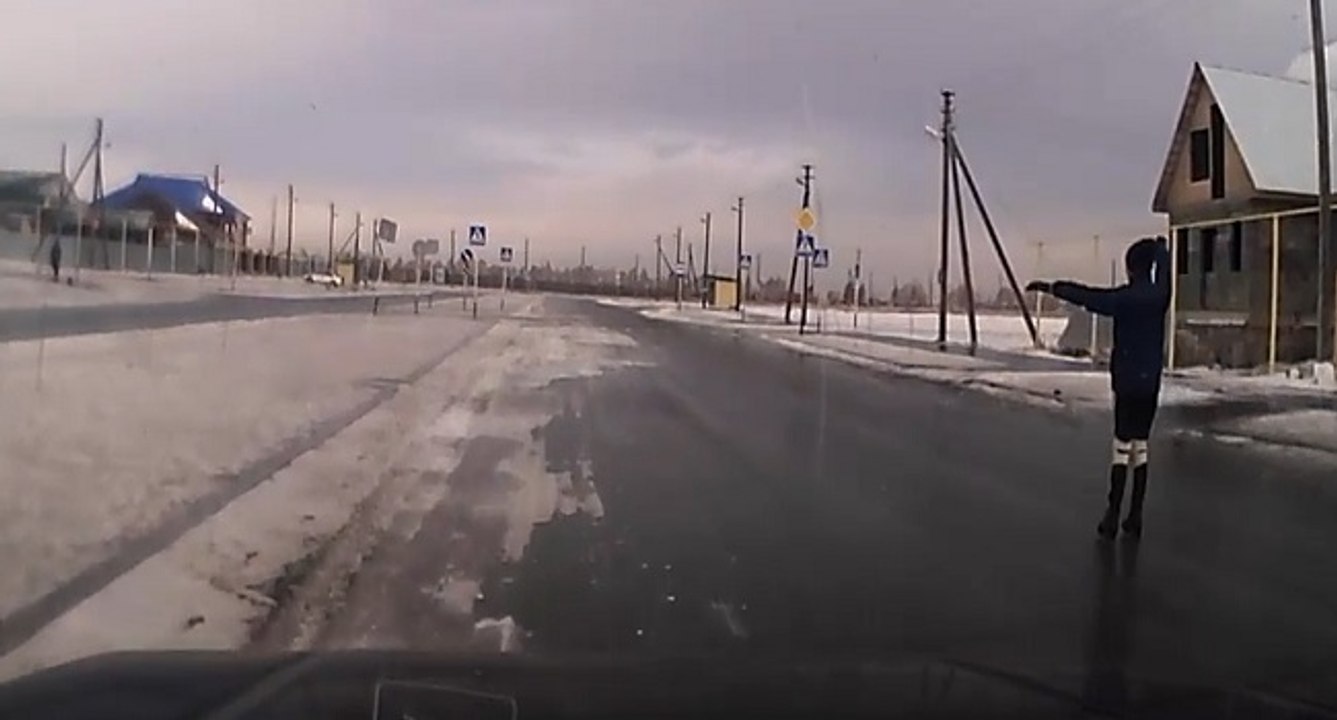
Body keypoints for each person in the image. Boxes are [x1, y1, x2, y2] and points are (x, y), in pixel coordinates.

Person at [1027, 236, 1170, 539]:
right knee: (1141, 448)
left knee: (1121, 448)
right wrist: (1161, 249)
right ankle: (1136, 516)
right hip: (1150, 385)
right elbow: (1165, 268)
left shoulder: (1124, 299)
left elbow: (1088, 297)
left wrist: (1053, 287)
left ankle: (1112, 515)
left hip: (1127, 384)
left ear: (1130, 269)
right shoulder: (1160, 295)